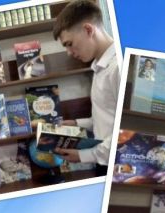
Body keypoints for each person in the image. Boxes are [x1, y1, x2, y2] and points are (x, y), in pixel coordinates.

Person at [52, 0, 119, 170]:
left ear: (89, 30)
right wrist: (76, 123)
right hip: (104, 159)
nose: (69, 53)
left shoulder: (117, 68)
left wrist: (84, 156)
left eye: (69, 44)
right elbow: (107, 118)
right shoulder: (99, 67)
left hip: (116, 164)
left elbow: (126, 132)